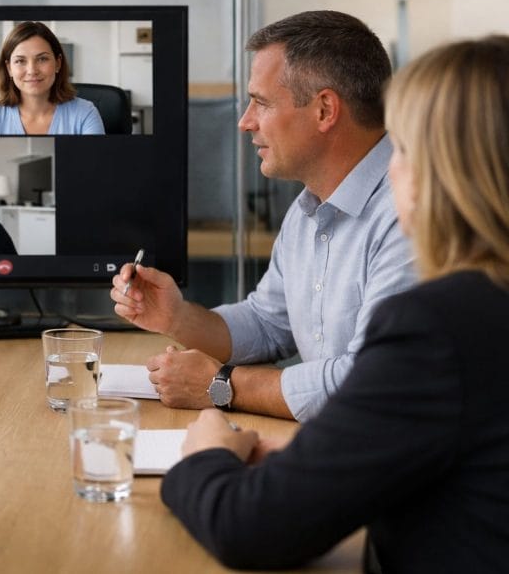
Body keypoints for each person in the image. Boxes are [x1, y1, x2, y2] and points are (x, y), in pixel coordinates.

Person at [161, 35, 509, 572]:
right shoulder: (311, 212)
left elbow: (250, 529)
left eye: (408, 147)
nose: (394, 167)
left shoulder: (443, 324)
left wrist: (204, 453)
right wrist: (339, 460)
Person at [112, 10, 415, 421]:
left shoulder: (411, 214)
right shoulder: (308, 210)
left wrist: (222, 385)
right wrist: (177, 316)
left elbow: (372, 384)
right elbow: (267, 325)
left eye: (260, 103)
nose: (244, 122)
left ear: (325, 110)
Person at [0, 21, 104, 135]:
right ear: (9, 68)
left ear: (58, 63)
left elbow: (96, 165)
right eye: (20, 61)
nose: (32, 71)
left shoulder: (85, 113)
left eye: (42, 59)